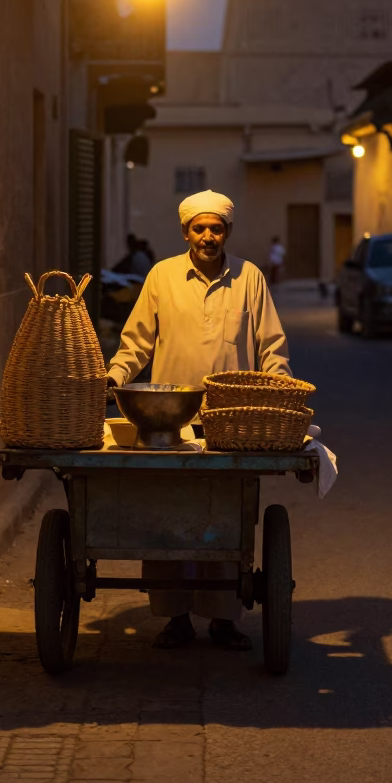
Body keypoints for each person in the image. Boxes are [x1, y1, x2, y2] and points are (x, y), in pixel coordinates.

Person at [106, 189, 293, 650]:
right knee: (168, 518)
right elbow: (136, 344)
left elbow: (271, 346)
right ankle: (175, 617)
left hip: (232, 423)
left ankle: (224, 617)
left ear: (228, 231)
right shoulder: (161, 276)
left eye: (216, 228)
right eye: (199, 228)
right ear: (185, 231)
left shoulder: (250, 277)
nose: (208, 236)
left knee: (224, 520)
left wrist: (280, 389)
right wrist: (112, 377)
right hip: (167, 423)